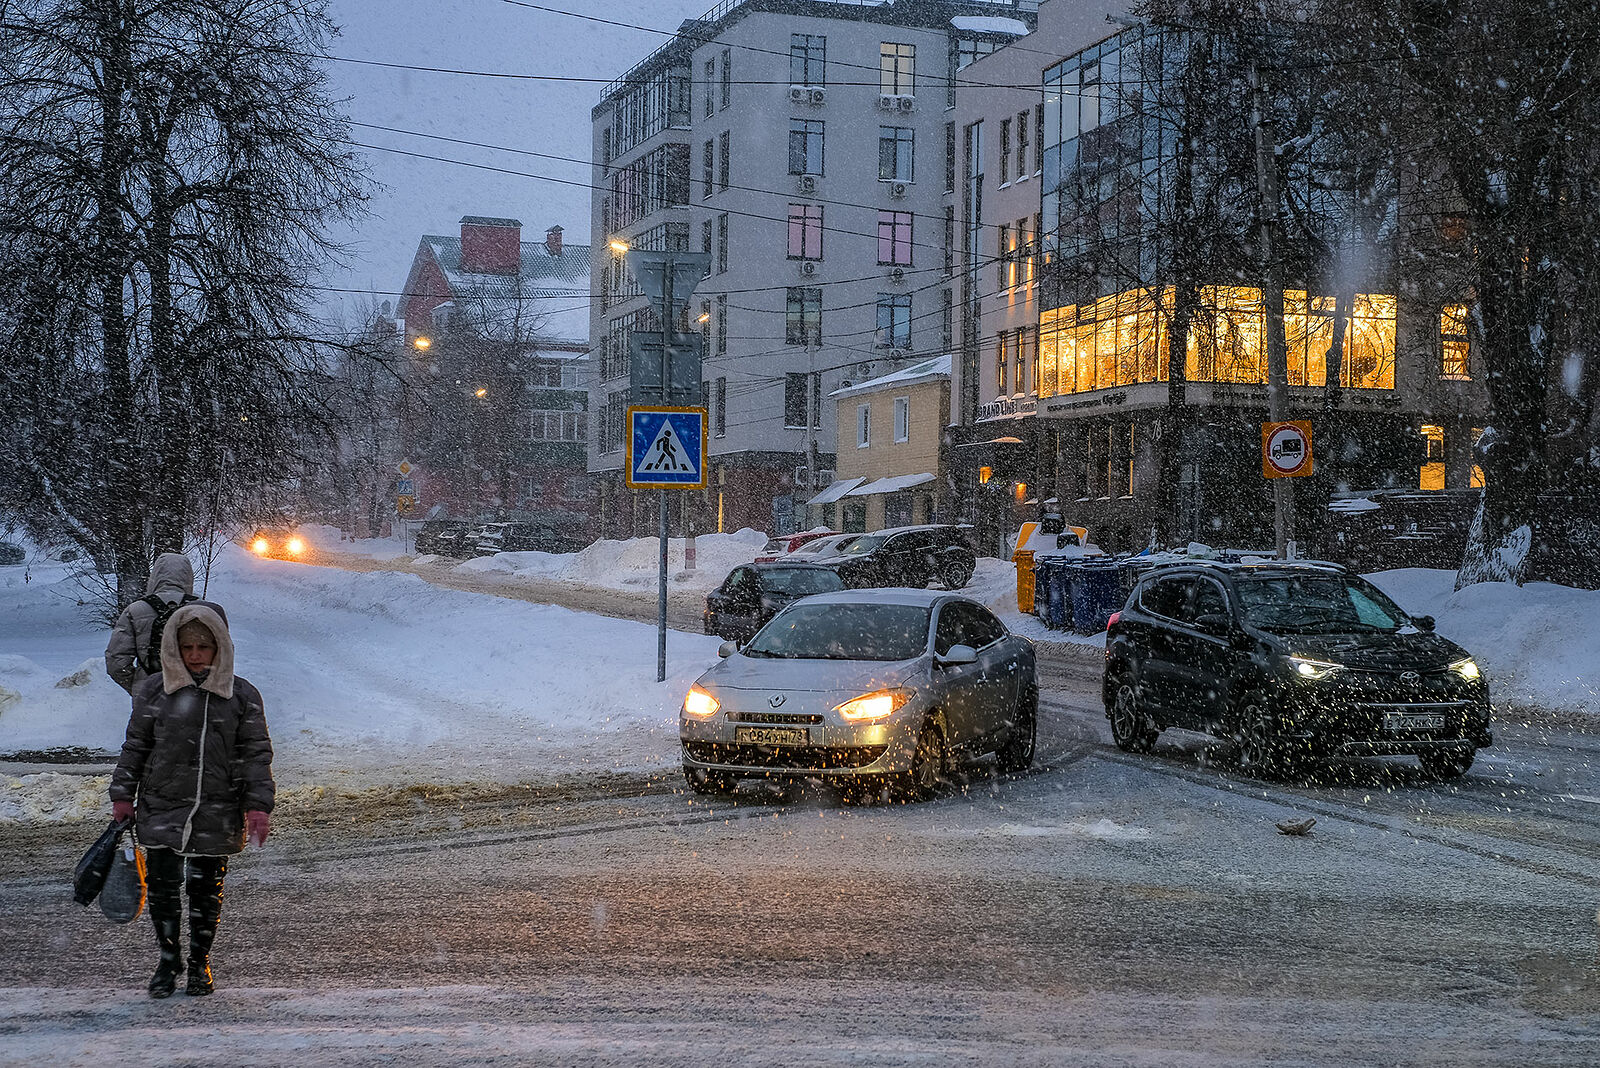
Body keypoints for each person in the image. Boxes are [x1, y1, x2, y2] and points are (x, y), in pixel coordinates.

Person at [109, 604, 274, 998]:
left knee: (205, 891)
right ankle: (168, 961)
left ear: (220, 648)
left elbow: (255, 753)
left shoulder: (241, 695)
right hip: (163, 803)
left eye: (204, 646)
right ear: (174, 648)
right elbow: (136, 746)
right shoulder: (154, 691)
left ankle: (200, 963)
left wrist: (257, 806)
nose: (196, 655)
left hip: (217, 806)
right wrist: (122, 794)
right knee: (163, 889)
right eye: (187, 647)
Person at [104, 552, 228, 693]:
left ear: (155, 576)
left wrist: (139, 687)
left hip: (149, 698)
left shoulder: (135, 610)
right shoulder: (203, 610)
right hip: (194, 697)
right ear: (188, 577)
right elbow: (223, 658)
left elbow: (116, 662)